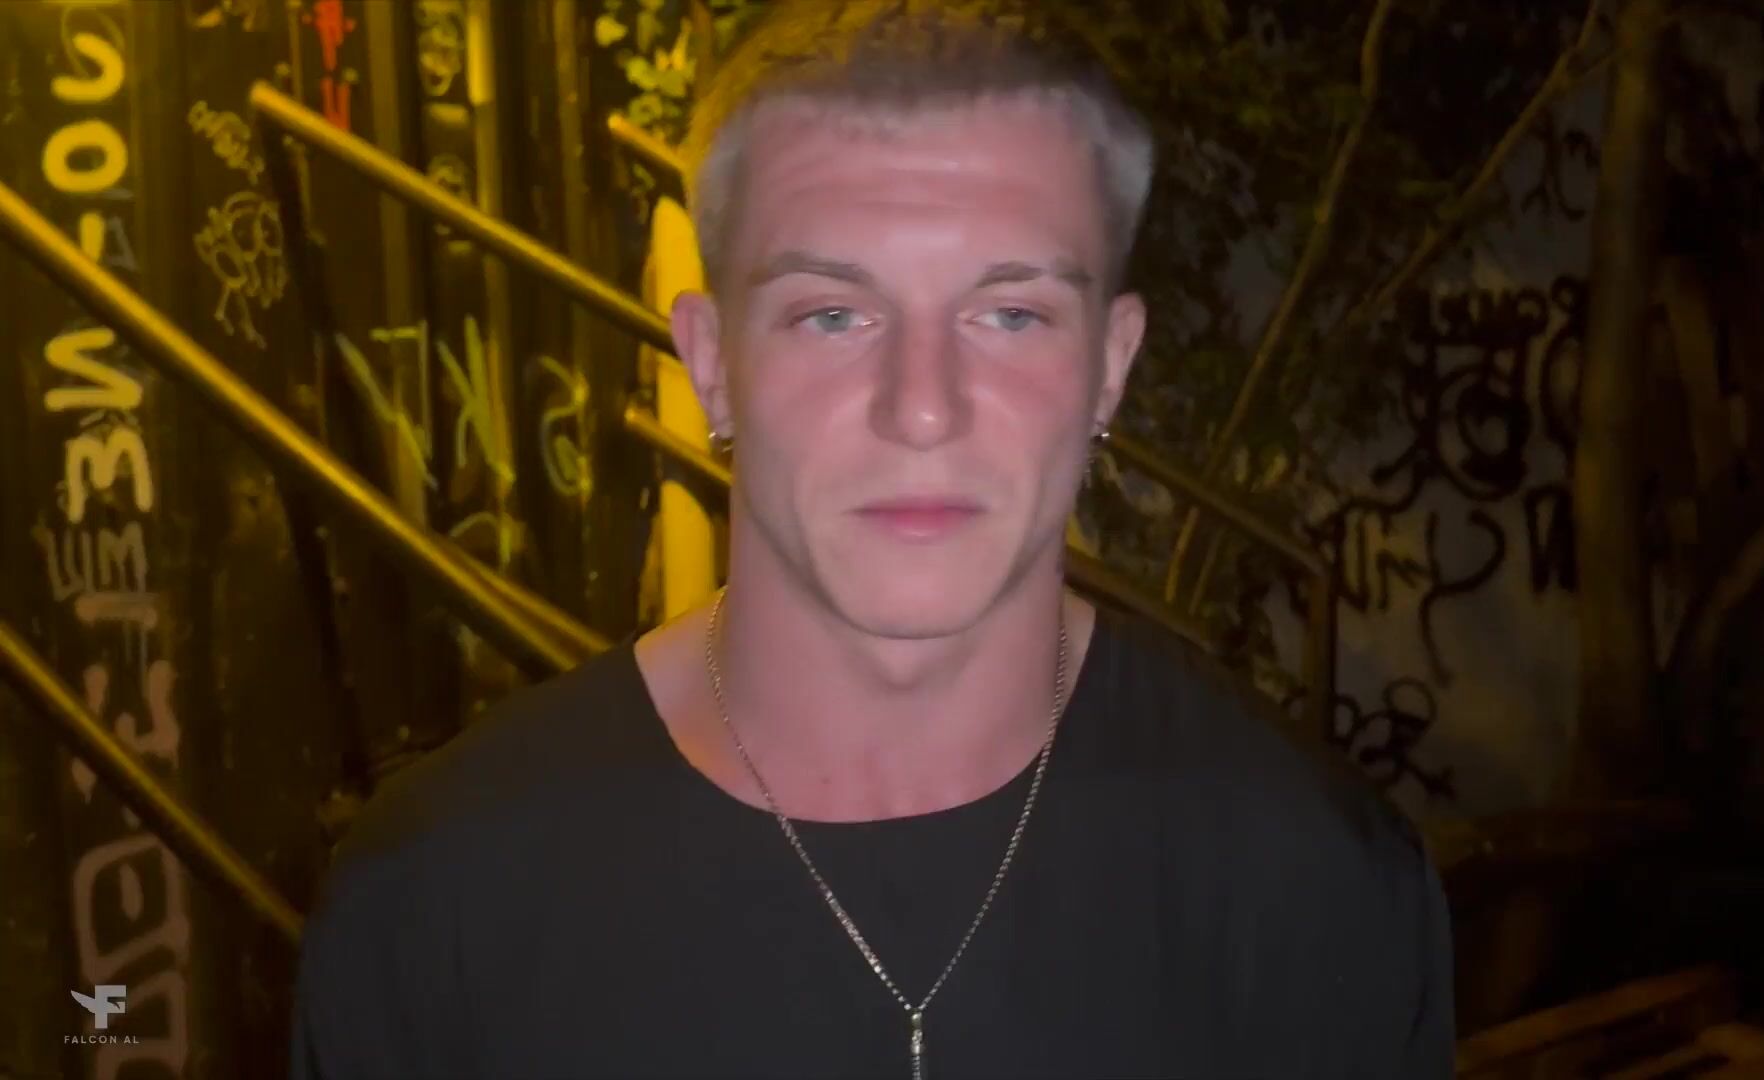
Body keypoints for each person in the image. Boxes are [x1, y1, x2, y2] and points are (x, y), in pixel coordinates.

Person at [288, 2, 1455, 1077]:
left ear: (1109, 366)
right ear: (711, 363)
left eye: (1011, 313)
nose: (923, 407)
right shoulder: (435, 907)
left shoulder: (1318, 890)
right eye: (834, 314)